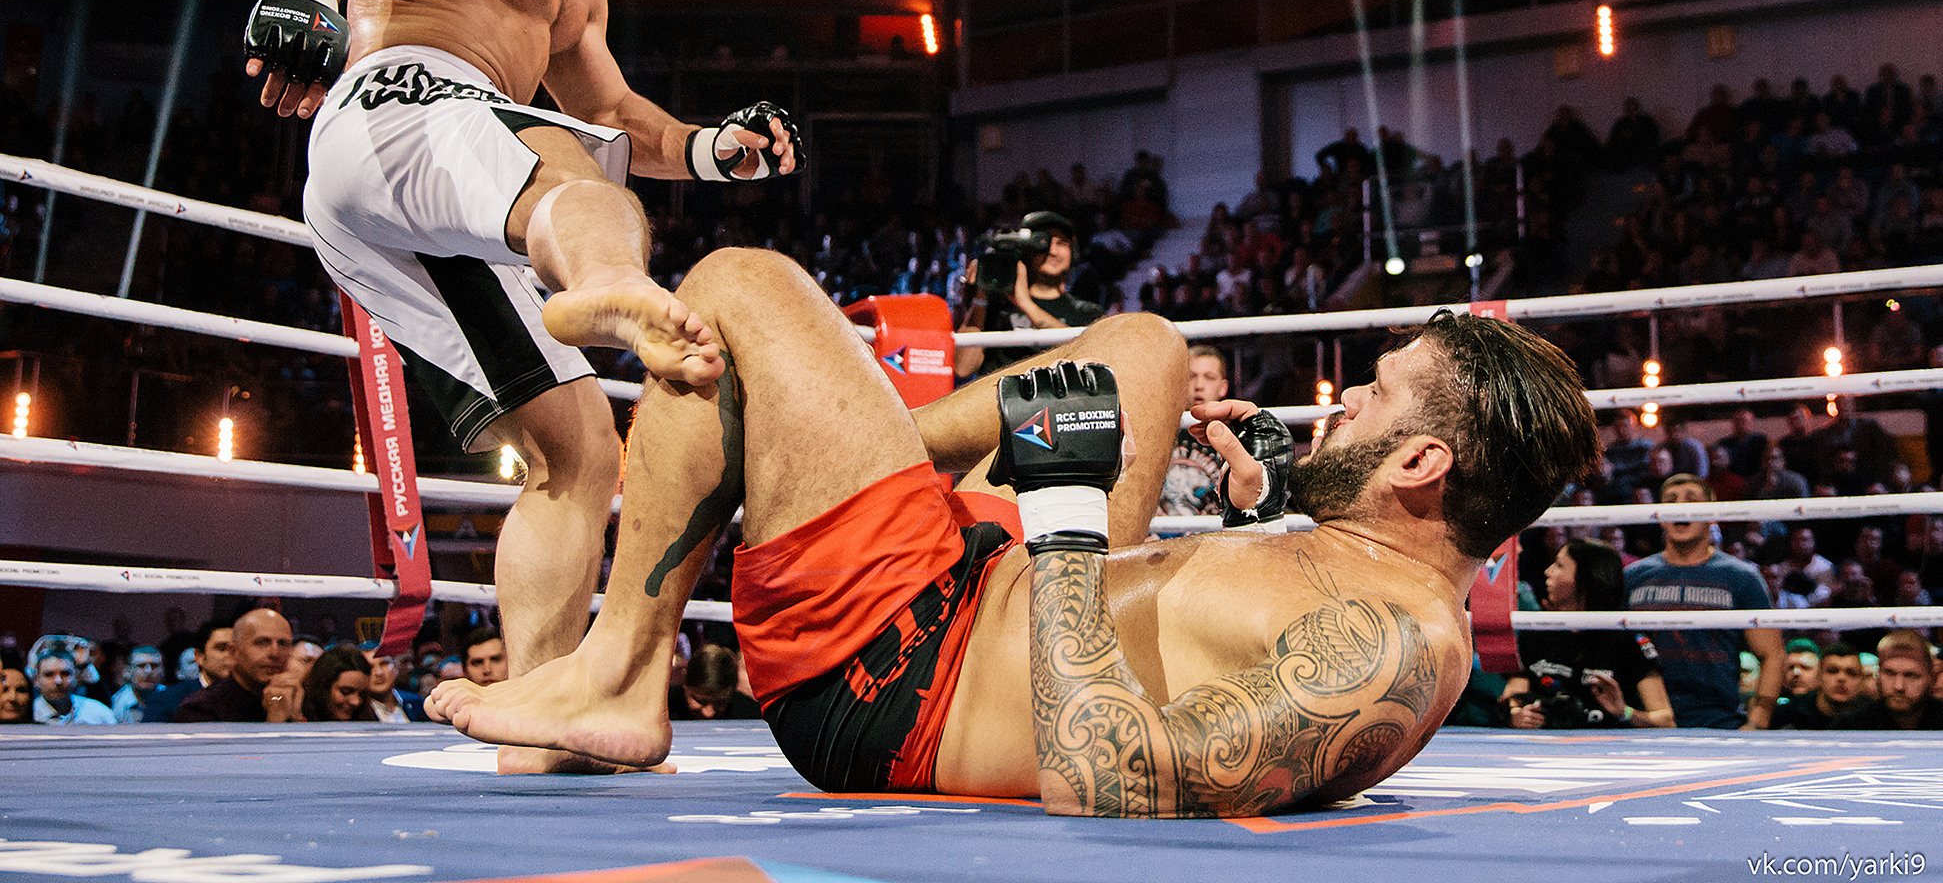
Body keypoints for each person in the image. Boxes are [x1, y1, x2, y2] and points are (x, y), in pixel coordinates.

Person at [424, 251, 1598, 816]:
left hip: (898, 675)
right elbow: (1222, 602)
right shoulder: (1367, 564)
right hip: (990, 578)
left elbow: (1103, 774)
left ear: (1421, 465)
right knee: (1140, 348)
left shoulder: (1390, 654)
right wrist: (1262, 494)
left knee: (737, 290)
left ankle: (623, 674)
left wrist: (1072, 516)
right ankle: (844, 439)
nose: (1338, 398)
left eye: (1374, 397)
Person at [243, 0, 800, 768]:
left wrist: (717, 152)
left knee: (580, 452)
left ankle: (539, 717)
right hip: (400, 107)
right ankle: (613, 289)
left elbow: (620, 115)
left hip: (428, 213)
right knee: (566, 170)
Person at [1623, 474, 1785, 728]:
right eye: (1671, 501)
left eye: (1691, 499)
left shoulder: (1741, 577)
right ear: (1659, 515)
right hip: (1645, 721)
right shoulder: (1633, 577)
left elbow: (1772, 653)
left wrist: (1757, 723)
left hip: (1720, 722)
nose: (1681, 507)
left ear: (1711, 513)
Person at [1500, 539, 1673, 729]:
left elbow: (1666, 719)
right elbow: (1513, 697)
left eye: (1559, 565)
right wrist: (1517, 715)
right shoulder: (1536, 631)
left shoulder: (1626, 638)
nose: (1547, 571)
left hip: (1611, 748)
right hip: (1546, 747)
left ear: (1584, 578)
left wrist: (1625, 712)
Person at [953, 211, 1102, 378]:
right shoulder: (994, 307)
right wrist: (981, 295)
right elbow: (963, 368)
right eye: (1041, 244)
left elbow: (1086, 355)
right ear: (1026, 251)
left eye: (1061, 243)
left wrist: (1025, 303)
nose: (1052, 251)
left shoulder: (1087, 312)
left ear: (1073, 253)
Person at [175, 609, 301, 723]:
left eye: (283, 644)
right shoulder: (200, 709)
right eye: (262, 643)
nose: (275, 653)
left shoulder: (298, 697)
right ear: (233, 651)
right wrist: (276, 722)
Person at [1156, 345, 1231, 517]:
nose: (1199, 385)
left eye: (1209, 378)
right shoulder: (1160, 434)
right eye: (1191, 377)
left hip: (1212, 537)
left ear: (1223, 387)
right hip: (1160, 538)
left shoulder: (1233, 437)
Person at [1836, 632, 1942, 730]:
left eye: (1911, 675)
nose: (1899, 686)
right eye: (1890, 673)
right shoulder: (1852, 725)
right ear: (1878, 673)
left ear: (1931, 678)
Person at [142, 618, 233, 722]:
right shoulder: (166, 700)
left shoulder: (251, 698)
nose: (229, 655)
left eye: (234, 649)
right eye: (221, 648)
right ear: (199, 657)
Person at [1773, 642, 1868, 729]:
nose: (1841, 678)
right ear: (1818, 676)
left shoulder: (1871, 717)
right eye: (1832, 671)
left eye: (1851, 673)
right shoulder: (1789, 714)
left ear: (1862, 680)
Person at [666, 644, 760, 721]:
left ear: (731, 693)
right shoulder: (663, 707)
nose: (709, 713)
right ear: (685, 687)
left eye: (719, 703)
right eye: (700, 701)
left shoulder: (752, 717)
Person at [30, 651, 115, 725]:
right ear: (36, 680)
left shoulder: (99, 712)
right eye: (49, 675)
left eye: (65, 674)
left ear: (76, 677)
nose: (58, 681)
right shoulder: (30, 713)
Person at [302, 646, 379, 722]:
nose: (356, 702)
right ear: (323, 687)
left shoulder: (368, 720)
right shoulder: (297, 721)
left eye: (362, 694)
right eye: (346, 692)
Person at [364, 647, 426, 723]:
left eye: (384, 664)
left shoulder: (416, 702)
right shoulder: (359, 711)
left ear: (395, 667)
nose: (378, 673)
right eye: (369, 667)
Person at [109, 645, 166, 722]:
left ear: (162, 670)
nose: (148, 671)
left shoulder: (170, 696)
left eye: (154, 666)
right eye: (141, 666)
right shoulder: (119, 702)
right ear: (129, 671)